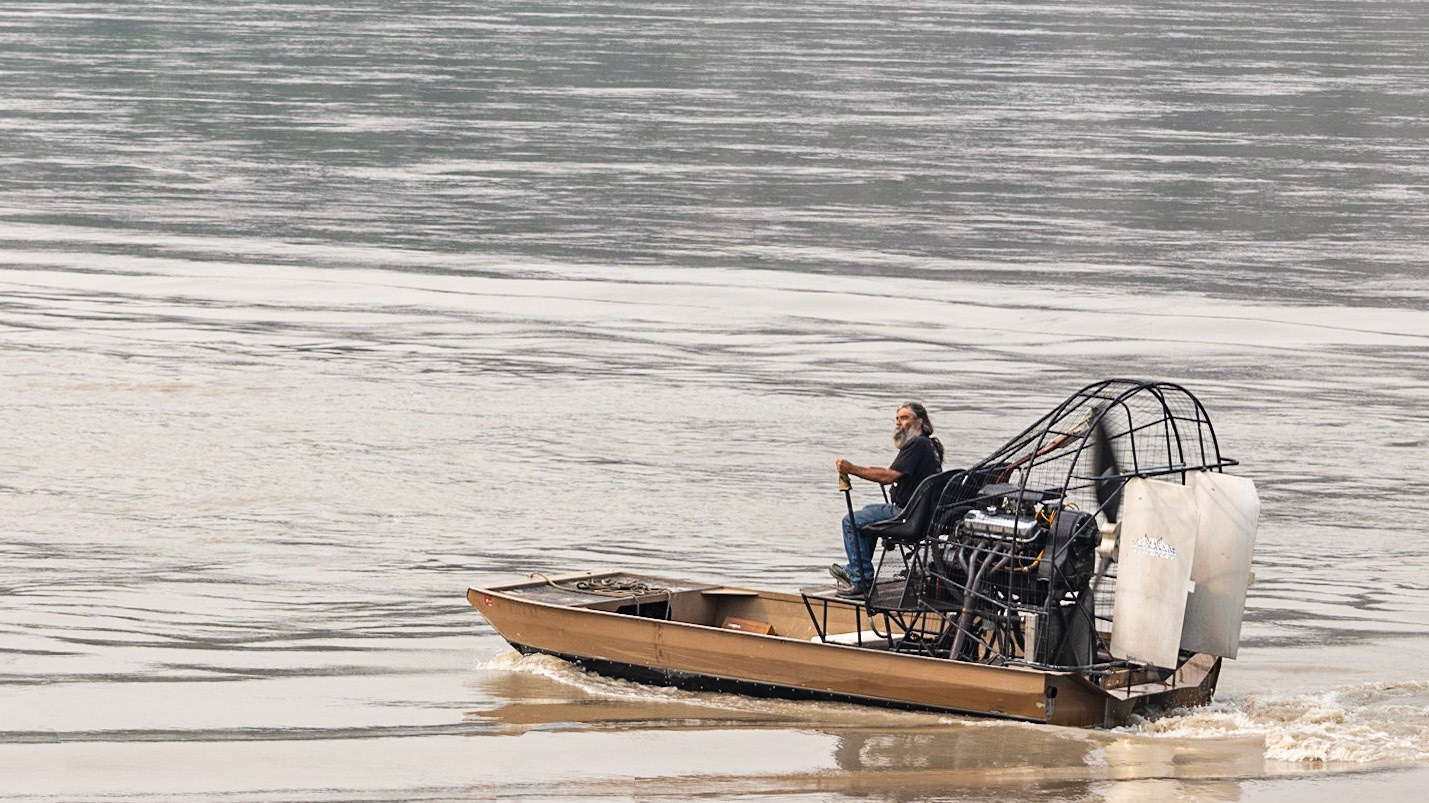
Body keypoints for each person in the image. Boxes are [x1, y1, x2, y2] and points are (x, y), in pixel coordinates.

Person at [829, 402, 944, 597]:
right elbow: (892, 473)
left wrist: (853, 469)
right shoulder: (928, 444)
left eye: (905, 418)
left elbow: (888, 476)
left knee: (850, 521)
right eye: (897, 418)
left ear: (920, 422)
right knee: (867, 511)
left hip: (908, 514)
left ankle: (861, 580)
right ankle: (855, 568)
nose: (899, 423)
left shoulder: (917, 444)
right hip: (921, 513)